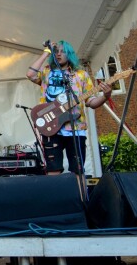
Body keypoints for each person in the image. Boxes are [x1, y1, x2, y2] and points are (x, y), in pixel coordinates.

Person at [26, 40, 112, 176]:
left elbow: (91, 102)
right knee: (53, 169)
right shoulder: (47, 72)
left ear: (70, 54)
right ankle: (56, 197)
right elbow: (30, 74)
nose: (58, 54)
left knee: (77, 170)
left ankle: (78, 196)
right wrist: (46, 52)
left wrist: (106, 96)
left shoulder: (81, 75)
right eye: (56, 51)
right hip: (51, 128)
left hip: (76, 128)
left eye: (62, 51)